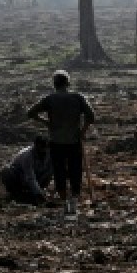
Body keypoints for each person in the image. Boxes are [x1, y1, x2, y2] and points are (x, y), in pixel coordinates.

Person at [27, 70, 96, 217]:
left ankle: (65, 202)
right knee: (75, 170)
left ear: (54, 84)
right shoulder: (78, 98)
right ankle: (74, 202)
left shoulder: (50, 99)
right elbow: (91, 116)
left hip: (56, 142)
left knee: (59, 172)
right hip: (74, 141)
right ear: (68, 83)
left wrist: (46, 122)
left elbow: (30, 113)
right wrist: (83, 131)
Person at [0, 135, 53, 205]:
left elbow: (51, 171)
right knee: (6, 171)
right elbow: (30, 177)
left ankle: (35, 192)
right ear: (36, 146)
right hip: (20, 177)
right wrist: (39, 194)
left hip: (36, 177)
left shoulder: (50, 154)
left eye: (45, 148)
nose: (43, 151)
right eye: (41, 148)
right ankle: (18, 194)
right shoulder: (27, 155)